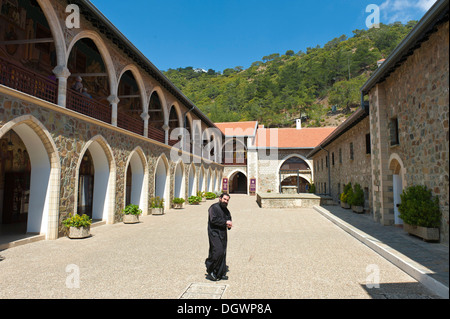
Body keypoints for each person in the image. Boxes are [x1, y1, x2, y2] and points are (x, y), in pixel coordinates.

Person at [205, 193, 232, 281]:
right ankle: (211, 270)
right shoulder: (213, 208)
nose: (226, 201)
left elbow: (229, 218)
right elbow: (213, 220)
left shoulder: (226, 209)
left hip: (223, 233)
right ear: (220, 198)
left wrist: (229, 224)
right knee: (217, 251)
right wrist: (225, 222)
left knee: (223, 252)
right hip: (214, 233)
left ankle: (220, 272)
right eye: (224, 199)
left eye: (227, 200)